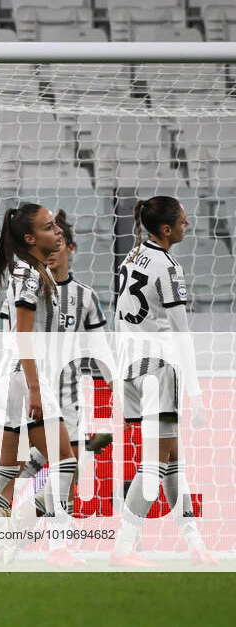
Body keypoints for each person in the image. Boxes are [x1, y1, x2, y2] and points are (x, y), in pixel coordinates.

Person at [110, 197, 215, 567]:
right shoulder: (168, 268)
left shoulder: (132, 257)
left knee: (170, 460)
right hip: (158, 369)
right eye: (183, 222)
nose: (188, 225)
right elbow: (181, 335)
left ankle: (194, 543)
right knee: (156, 463)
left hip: (131, 368)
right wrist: (196, 394)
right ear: (166, 230)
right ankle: (124, 547)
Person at [0, 203, 77, 520]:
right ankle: (59, 546)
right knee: (64, 461)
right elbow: (24, 335)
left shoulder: (31, 270)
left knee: (7, 469)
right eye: (48, 227)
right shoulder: (30, 275)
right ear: (30, 238)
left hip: (14, 377)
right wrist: (35, 388)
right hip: (25, 378)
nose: (57, 230)